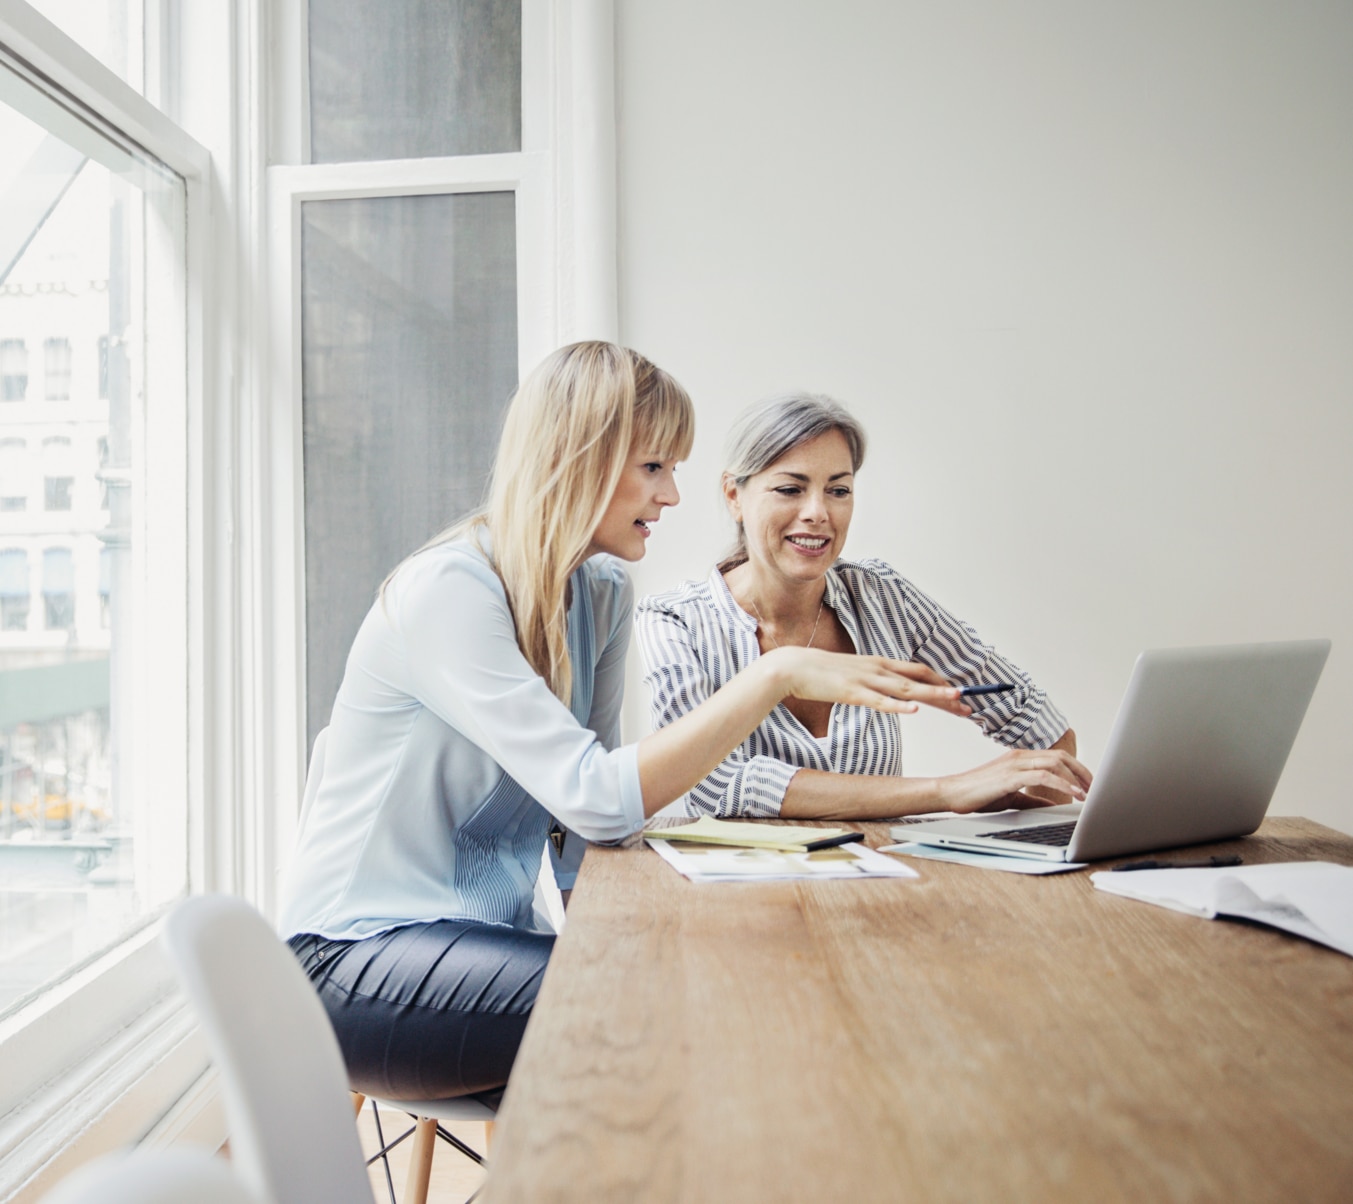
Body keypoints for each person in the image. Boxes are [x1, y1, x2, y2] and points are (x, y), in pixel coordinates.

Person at [277, 345, 979, 1106]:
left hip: (486, 951)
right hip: (352, 962)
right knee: (680, 1007)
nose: (673, 494)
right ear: (579, 459)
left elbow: (595, 828)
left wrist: (640, 930)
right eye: (653, 467)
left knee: (704, 1004)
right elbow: (597, 796)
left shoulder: (603, 592)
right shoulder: (450, 591)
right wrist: (772, 676)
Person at [635, 391, 1091, 821]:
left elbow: (1040, 726)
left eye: (838, 490)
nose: (818, 512)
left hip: (882, 891)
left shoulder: (883, 597)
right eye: (791, 489)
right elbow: (715, 785)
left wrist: (1032, 845)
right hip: (736, 898)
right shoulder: (673, 621)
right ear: (734, 495)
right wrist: (946, 792)